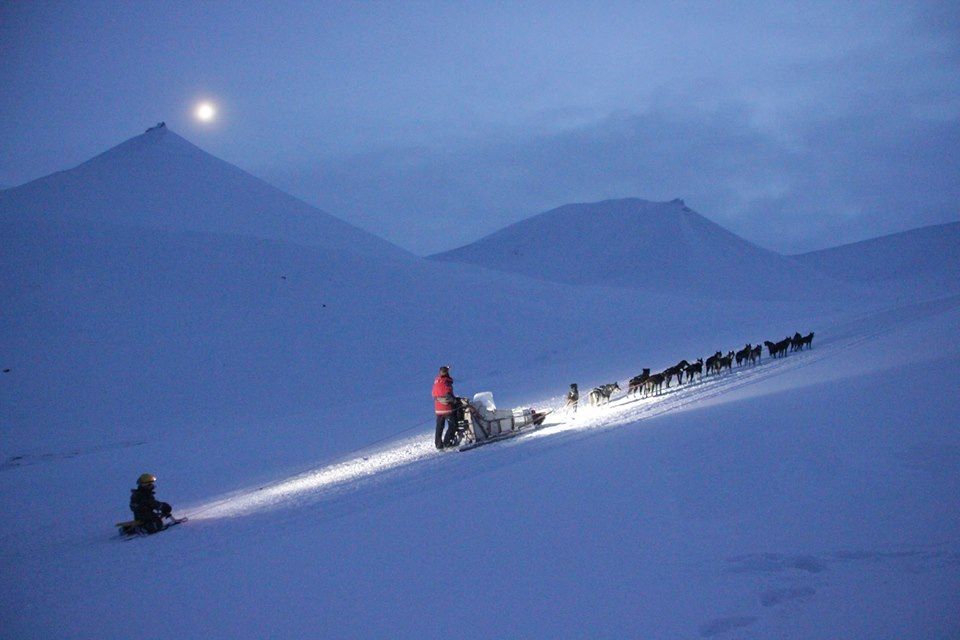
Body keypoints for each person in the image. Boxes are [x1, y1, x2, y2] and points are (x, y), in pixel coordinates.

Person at [433, 365, 458, 449]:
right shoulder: (446, 383)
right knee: (453, 425)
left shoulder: (436, 381)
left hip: (438, 409)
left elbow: (433, 394)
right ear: (447, 373)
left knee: (439, 426)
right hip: (446, 409)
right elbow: (448, 396)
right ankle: (447, 442)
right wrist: (455, 400)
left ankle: (438, 444)